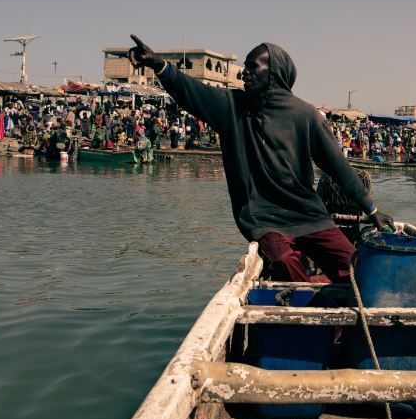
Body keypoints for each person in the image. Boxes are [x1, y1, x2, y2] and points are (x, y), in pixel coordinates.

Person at [129, 35, 393, 283]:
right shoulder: (232, 107)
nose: (245, 72)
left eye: (252, 67)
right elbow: (191, 91)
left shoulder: (307, 116)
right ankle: (308, 315)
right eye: (245, 66)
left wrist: (371, 209)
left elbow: (338, 167)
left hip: (308, 214)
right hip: (264, 219)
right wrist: (158, 64)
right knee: (283, 260)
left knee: (355, 265)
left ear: (274, 72)